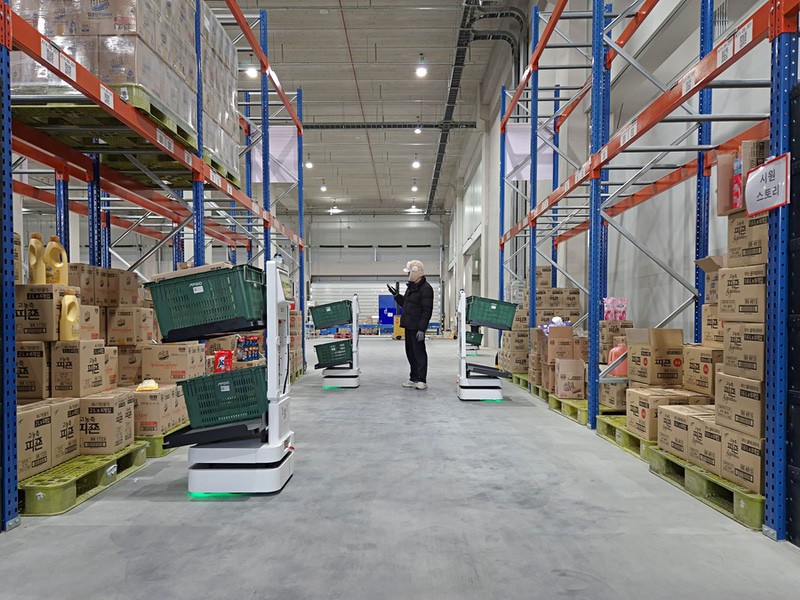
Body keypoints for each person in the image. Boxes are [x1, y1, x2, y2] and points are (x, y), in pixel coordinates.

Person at [388, 260, 434, 390]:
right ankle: (413, 378)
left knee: (419, 353)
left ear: (415, 272)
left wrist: (422, 329)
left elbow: (427, 310)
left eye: (409, 272)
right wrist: (396, 295)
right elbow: (406, 304)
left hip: (417, 327)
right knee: (410, 353)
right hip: (409, 325)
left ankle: (422, 380)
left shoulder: (426, 289)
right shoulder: (411, 287)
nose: (408, 274)